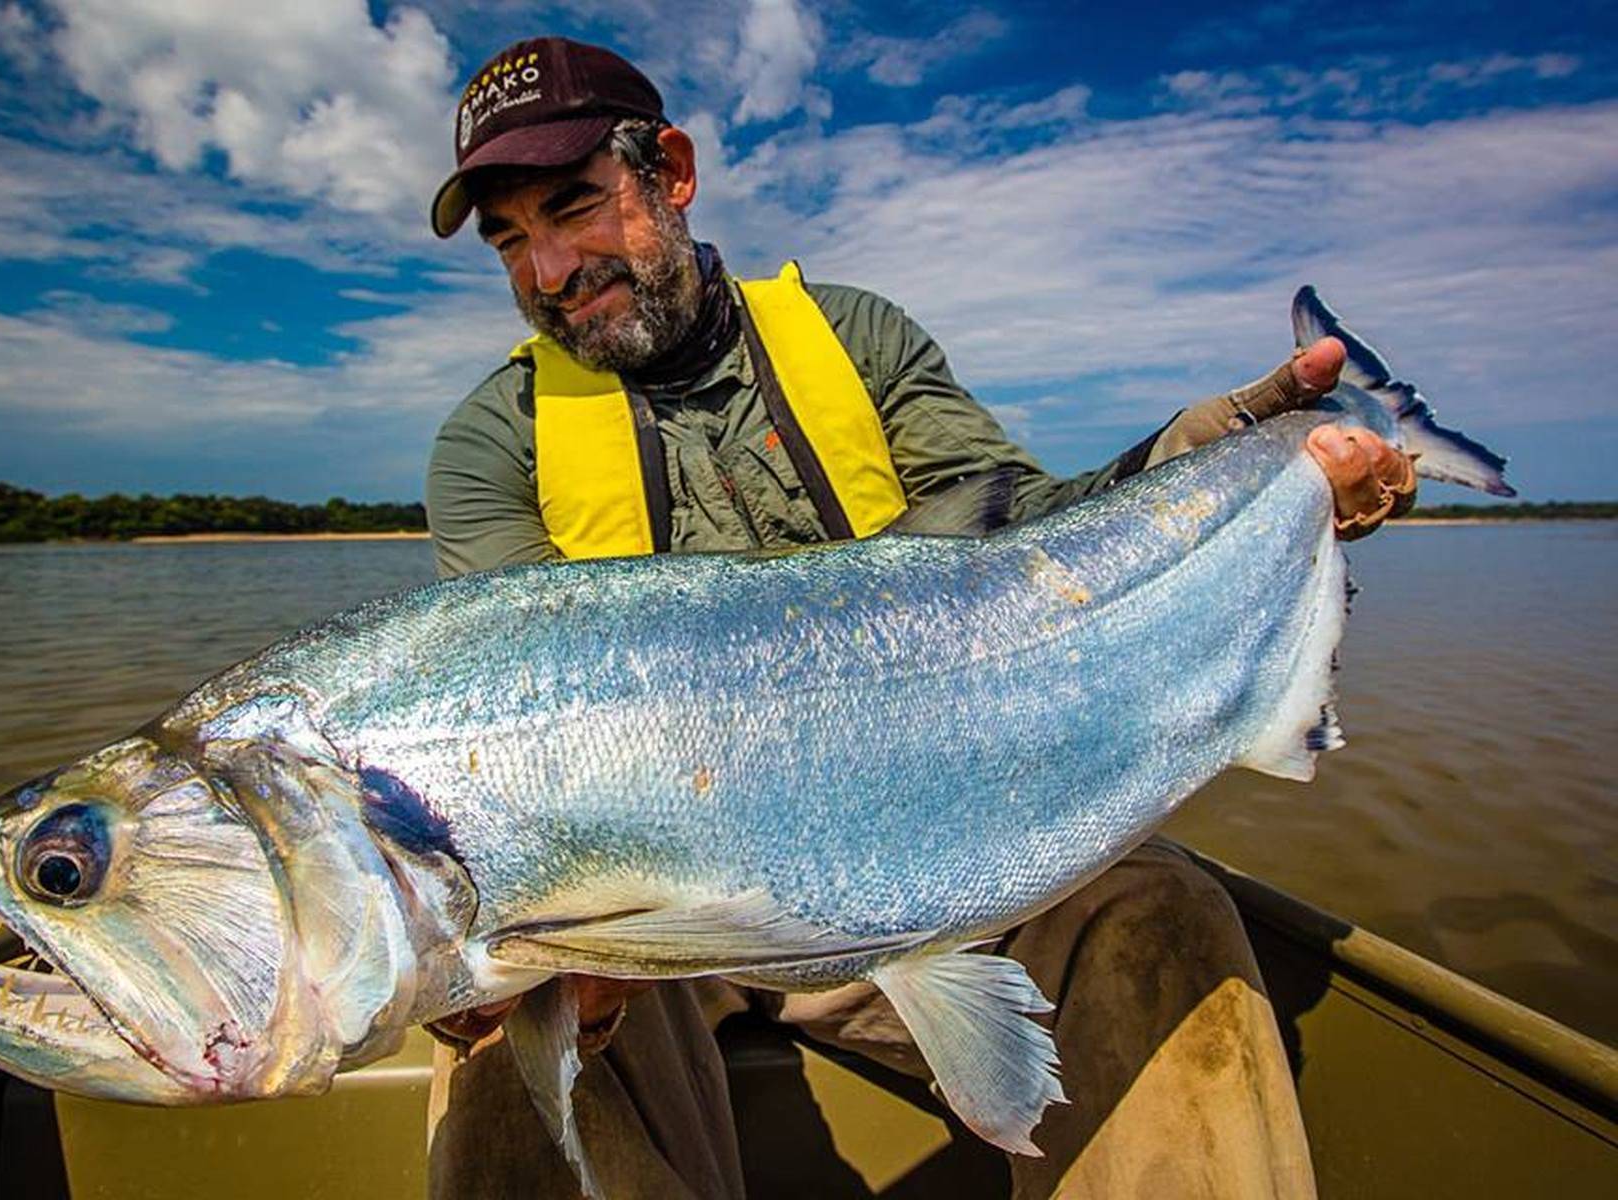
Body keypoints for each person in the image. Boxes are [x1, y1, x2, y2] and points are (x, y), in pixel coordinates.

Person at [419, 36, 1414, 1200]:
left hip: (934, 843)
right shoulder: (491, 445)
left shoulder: (859, 338)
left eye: (574, 207)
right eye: (509, 243)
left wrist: (1239, 451)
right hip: (657, 931)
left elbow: (1028, 540)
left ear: (672, 172)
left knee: (1163, 912)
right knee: (500, 1045)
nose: (548, 269)